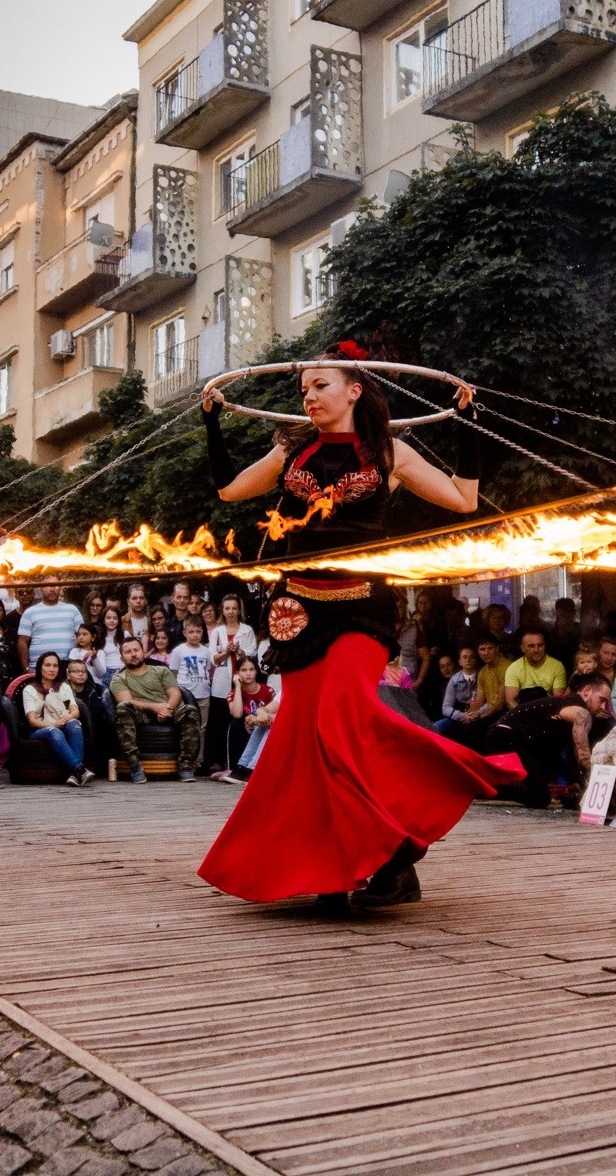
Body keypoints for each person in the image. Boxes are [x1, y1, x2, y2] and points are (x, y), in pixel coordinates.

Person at [197, 357, 517, 909]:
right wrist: (212, 423)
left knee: (341, 717)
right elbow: (229, 490)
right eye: (303, 390)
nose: (309, 397)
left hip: (362, 607)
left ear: (354, 391)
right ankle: (333, 866)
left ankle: (391, 852)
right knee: (301, 739)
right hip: (296, 612)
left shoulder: (390, 452)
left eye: (320, 386)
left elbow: (464, 498)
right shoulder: (292, 450)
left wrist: (465, 424)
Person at [487, 673, 614, 810]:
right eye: (601, 700)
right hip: (505, 738)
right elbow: (583, 756)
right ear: (587, 691)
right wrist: (600, 781)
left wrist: (577, 781)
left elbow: (552, 756)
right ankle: (484, 782)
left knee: (543, 787)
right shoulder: (581, 713)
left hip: (514, 740)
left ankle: (486, 784)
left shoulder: (569, 705)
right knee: (540, 797)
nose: (603, 706)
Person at [108, 634, 200, 781]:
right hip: (141, 715)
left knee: (189, 711)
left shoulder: (161, 671)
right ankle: (135, 767)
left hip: (168, 710)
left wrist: (166, 709)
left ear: (143, 652)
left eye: (136, 650)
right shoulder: (118, 679)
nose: (133, 654)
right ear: (121, 658)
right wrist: (155, 707)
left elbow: (176, 694)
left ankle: (186, 766)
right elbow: (126, 701)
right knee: (124, 708)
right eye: (128, 652)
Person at [206, 593, 259, 773]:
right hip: (222, 680)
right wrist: (227, 652)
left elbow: (252, 654)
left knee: (240, 718)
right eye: (227, 608)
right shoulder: (217, 631)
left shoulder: (247, 630)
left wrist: (240, 650)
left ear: (239, 610)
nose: (230, 612)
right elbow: (213, 658)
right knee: (220, 720)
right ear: (223, 610)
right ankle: (219, 759)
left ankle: (241, 759)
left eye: (234, 608)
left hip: (243, 678)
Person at [23, 651, 92, 787]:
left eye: (55, 666)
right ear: (40, 667)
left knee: (75, 723)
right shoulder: (30, 689)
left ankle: (75, 775)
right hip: (39, 729)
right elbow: (32, 721)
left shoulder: (63, 688)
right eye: (48, 665)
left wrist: (67, 718)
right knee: (54, 731)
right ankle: (80, 769)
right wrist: (54, 724)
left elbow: (75, 710)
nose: (52, 669)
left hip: (62, 723)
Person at [222, 655, 275, 781]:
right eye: (244, 670)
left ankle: (252, 768)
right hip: (245, 732)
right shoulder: (233, 693)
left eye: (251, 670)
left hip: (263, 729)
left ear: (256, 671)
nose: (248, 674)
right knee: (235, 723)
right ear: (237, 673)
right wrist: (238, 688)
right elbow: (237, 714)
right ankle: (237, 767)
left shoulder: (268, 691)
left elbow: (274, 714)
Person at [168, 617, 215, 756]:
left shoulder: (206, 651)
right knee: (184, 726)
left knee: (201, 728)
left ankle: (198, 759)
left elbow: (207, 670)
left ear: (202, 633)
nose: (195, 635)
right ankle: (182, 757)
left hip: (203, 695)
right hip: (184, 695)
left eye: (198, 632)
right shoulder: (178, 651)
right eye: (191, 631)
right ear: (185, 633)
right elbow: (173, 673)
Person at [16, 585, 84, 677]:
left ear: (60, 588)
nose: (52, 589)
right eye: (48, 586)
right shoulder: (29, 612)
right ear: (40, 588)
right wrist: (26, 669)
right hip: (38, 668)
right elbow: (22, 642)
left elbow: (83, 637)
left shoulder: (72, 610)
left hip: (67, 668)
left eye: (56, 586)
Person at [503, 629, 567, 708]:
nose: (536, 650)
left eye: (540, 645)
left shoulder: (557, 666)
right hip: (522, 714)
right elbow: (510, 701)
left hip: (548, 712)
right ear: (522, 648)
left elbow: (558, 701)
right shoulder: (513, 668)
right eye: (531, 646)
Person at [432, 645, 479, 736]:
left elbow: (489, 701)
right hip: (459, 716)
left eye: (471, 657)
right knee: (436, 727)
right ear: (460, 662)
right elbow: (446, 708)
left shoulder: (483, 675)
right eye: (464, 657)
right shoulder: (454, 680)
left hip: (479, 715)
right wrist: (462, 716)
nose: (468, 660)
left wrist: (478, 713)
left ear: (476, 660)